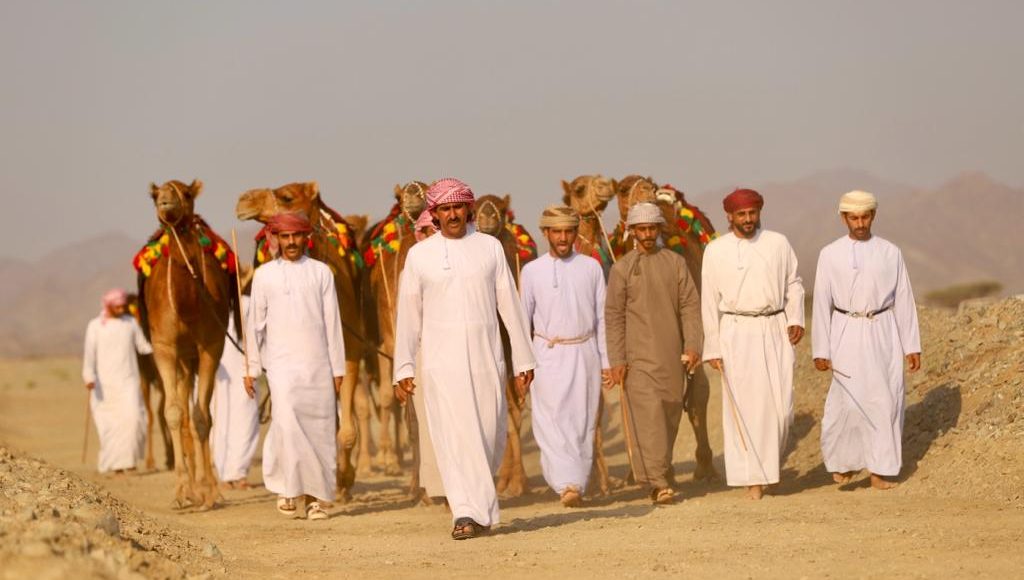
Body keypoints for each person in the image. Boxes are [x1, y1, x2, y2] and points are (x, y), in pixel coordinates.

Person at [393, 177, 536, 540]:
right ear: (435, 214)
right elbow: (408, 316)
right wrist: (403, 366)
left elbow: (510, 306)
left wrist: (523, 359)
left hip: (487, 358)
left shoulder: (489, 247)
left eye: (458, 207)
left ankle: (480, 510)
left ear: (468, 209)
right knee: (455, 438)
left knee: (487, 436)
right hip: (441, 364)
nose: (453, 214)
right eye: (445, 209)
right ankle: (464, 514)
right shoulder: (419, 256)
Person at [812, 190, 922, 490]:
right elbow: (821, 303)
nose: (860, 223)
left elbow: (904, 299)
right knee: (847, 402)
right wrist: (820, 349)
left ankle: (879, 472)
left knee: (885, 402)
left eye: (865, 217)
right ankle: (844, 463)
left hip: (883, 331)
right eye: (854, 218)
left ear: (873, 216)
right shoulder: (829, 254)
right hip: (845, 331)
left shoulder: (890, 252)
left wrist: (911, 345)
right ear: (844, 218)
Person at [701, 189, 805, 500]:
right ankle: (753, 480)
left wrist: (795, 317)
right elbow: (709, 302)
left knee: (780, 408)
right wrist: (713, 347)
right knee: (745, 406)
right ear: (729, 216)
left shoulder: (778, 243)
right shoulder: (715, 250)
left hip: (775, 328)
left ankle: (769, 469)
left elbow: (794, 283)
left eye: (752, 213)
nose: (748, 219)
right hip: (737, 331)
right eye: (741, 214)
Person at [243, 212, 345, 521]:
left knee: (319, 432)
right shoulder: (264, 275)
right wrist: (251, 368)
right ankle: (288, 488)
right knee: (286, 425)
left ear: (306, 238)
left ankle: (315, 500)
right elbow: (254, 326)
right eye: (285, 236)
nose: (291, 242)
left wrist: (337, 369)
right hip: (281, 366)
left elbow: (333, 322)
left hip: (318, 365)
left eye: (296, 236)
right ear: (275, 239)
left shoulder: (321, 273)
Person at [605, 202, 702, 505]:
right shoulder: (622, 269)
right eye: (641, 229)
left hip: (671, 354)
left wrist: (692, 345)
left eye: (652, 228)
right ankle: (657, 482)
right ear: (632, 231)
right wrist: (617, 360)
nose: (647, 234)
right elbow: (613, 317)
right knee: (648, 417)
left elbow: (690, 306)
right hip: (637, 359)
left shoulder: (675, 263)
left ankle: (659, 470)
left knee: (670, 413)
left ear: (659, 229)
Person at [520, 205, 610, 508]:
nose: (562, 238)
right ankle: (566, 484)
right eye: (556, 231)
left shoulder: (591, 267)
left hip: (584, 351)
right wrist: (523, 365)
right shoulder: (532, 271)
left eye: (568, 231)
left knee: (582, 419)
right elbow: (523, 320)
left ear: (575, 233)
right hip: (547, 353)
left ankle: (577, 481)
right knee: (551, 419)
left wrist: (606, 362)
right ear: (545, 233)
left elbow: (602, 317)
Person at [82, 288, 153, 474]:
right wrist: (88, 377)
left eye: (123, 306)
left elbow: (143, 346)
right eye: (118, 307)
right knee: (111, 426)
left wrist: (162, 347)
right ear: (109, 306)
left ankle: (130, 461)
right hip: (104, 386)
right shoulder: (95, 326)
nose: (122, 309)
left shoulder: (130, 323)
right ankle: (116, 466)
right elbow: (89, 356)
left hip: (129, 381)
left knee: (134, 419)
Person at [211, 293, 260, 489]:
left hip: (246, 371)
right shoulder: (214, 305)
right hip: (220, 374)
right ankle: (225, 474)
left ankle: (239, 473)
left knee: (246, 420)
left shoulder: (248, 303)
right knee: (222, 421)